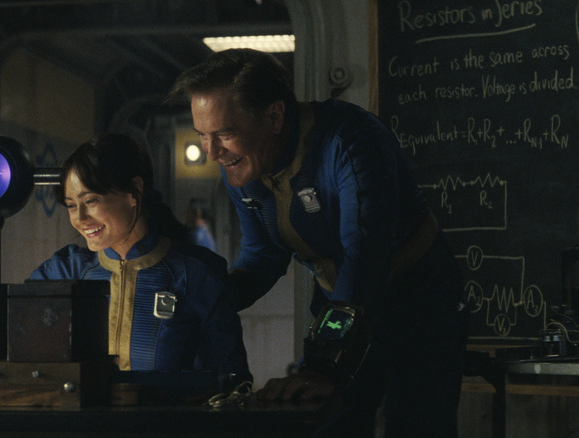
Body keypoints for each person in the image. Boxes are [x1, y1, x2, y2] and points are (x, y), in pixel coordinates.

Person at [170, 49, 468, 437]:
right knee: (327, 423)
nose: (212, 152)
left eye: (225, 133)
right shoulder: (242, 165)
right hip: (338, 301)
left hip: (419, 303)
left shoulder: (350, 139)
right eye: (202, 136)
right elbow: (264, 255)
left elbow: (363, 256)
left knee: (415, 426)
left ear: (274, 116)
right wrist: (207, 299)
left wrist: (323, 368)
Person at [29, 133, 251, 383]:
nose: (79, 218)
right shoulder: (62, 273)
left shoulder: (196, 274)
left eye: (91, 200)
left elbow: (232, 381)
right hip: (82, 422)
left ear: (134, 191)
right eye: (71, 205)